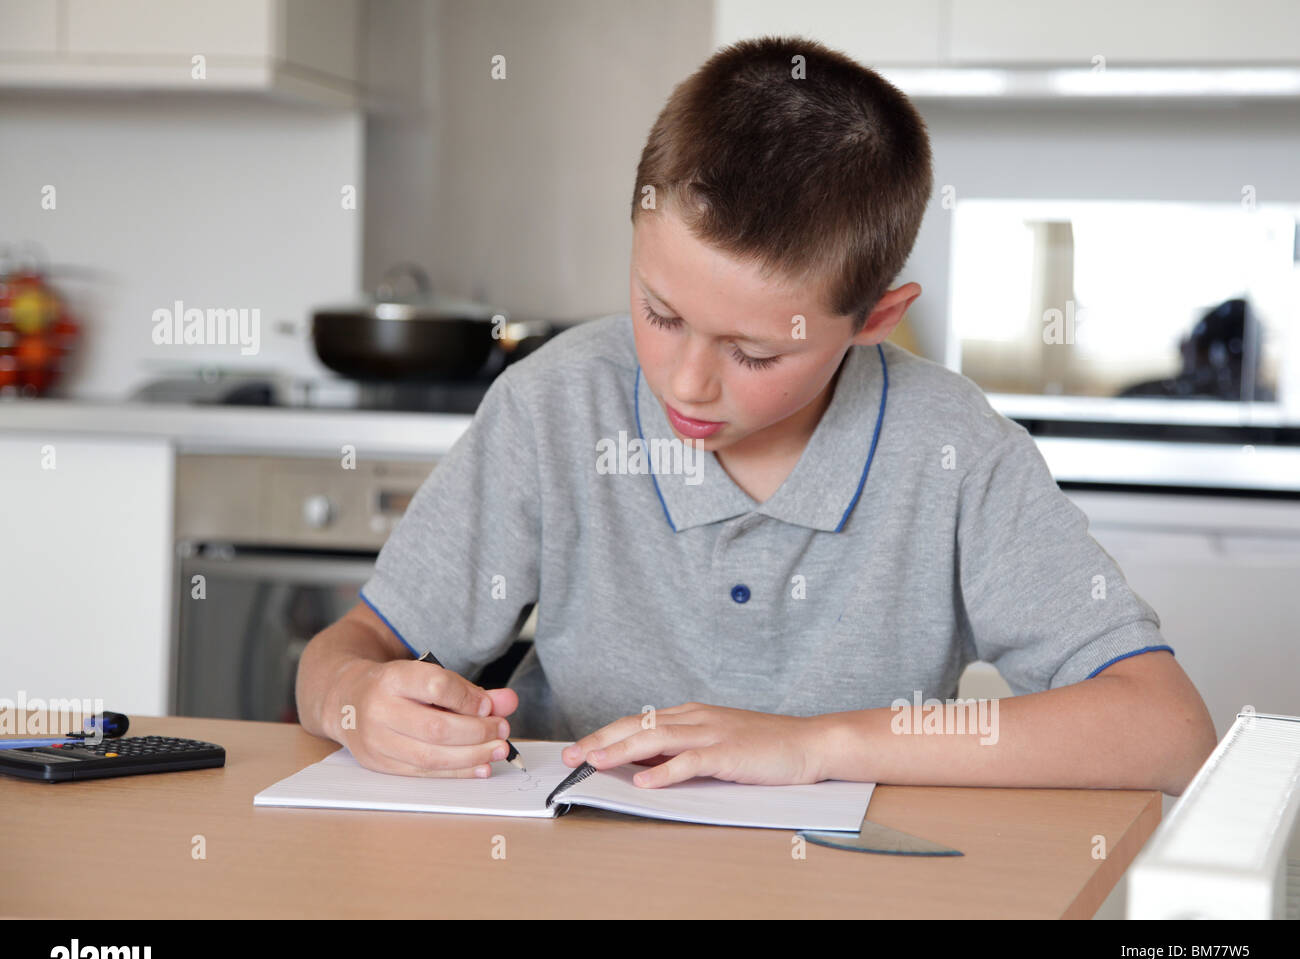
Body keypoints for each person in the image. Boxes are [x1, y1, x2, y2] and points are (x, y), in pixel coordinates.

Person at [296, 36, 1216, 795]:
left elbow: (1165, 726)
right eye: (660, 312)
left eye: (756, 353)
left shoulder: (951, 449)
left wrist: (812, 745)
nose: (686, 382)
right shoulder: (556, 404)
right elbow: (354, 648)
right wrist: (356, 698)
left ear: (874, 320)